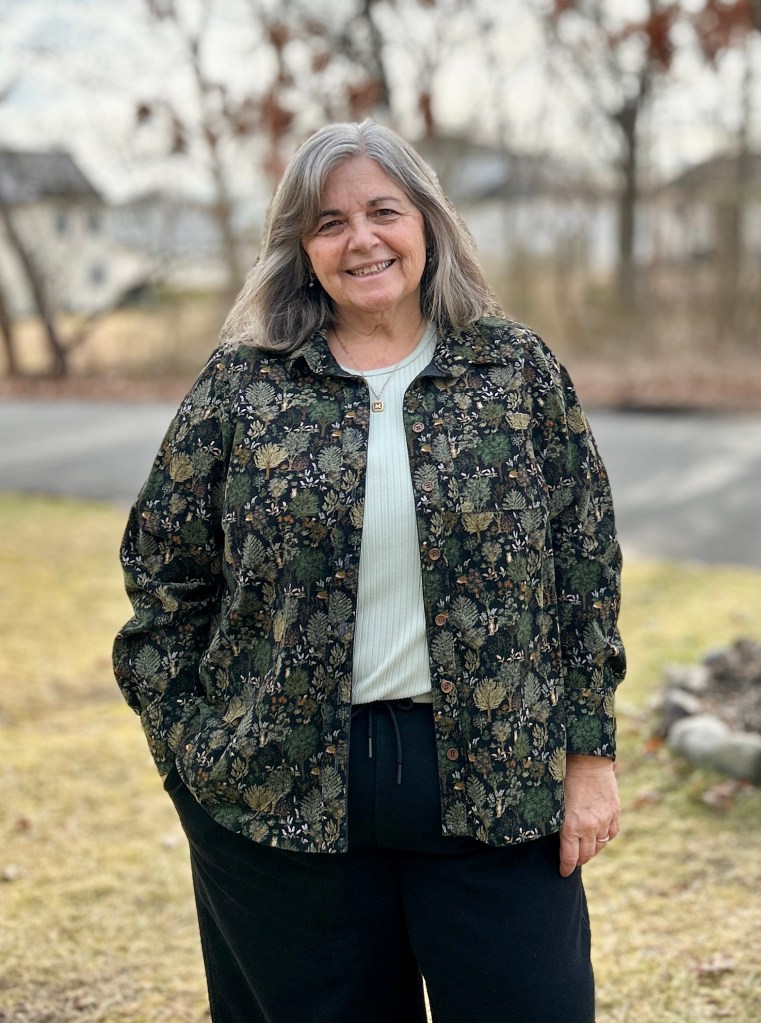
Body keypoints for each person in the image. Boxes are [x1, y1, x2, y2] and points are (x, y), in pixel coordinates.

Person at [113, 119, 626, 1023]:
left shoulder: (513, 371)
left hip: (499, 784)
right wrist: (194, 757)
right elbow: (162, 576)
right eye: (329, 222)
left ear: (426, 222)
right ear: (300, 249)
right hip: (281, 798)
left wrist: (588, 756)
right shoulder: (242, 388)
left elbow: (584, 571)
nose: (361, 240)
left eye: (382, 211)